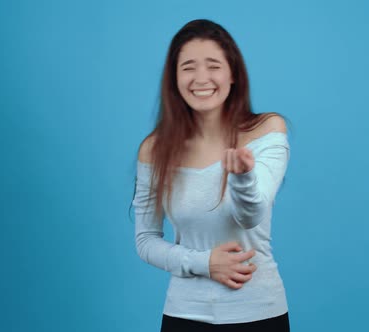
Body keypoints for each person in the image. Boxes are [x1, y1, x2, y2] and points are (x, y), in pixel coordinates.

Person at [133, 19, 291, 331]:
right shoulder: (155, 149)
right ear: (175, 78)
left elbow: (251, 216)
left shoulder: (267, 130)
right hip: (184, 316)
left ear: (233, 74)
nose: (201, 78)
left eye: (213, 65)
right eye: (188, 67)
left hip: (259, 314)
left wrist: (243, 177)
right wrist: (204, 263)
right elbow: (146, 240)